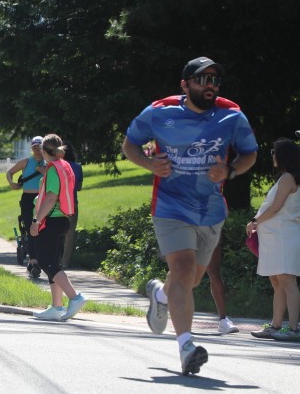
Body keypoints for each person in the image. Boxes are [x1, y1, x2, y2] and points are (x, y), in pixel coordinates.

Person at [122, 55, 258, 375]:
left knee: (192, 279)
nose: (210, 85)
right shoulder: (159, 111)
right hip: (170, 206)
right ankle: (186, 347)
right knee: (182, 269)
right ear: (185, 84)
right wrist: (149, 163)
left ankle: (160, 294)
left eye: (215, 80)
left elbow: (250, 153)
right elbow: (130, 145)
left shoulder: (231, 114)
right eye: (203, 79)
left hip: (210, 210)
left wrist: (230, 171)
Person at [29, 134, 87, 321]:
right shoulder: (65, 166)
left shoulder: (53, 169)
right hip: (62, 220)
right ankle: (56, 306)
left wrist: (37, 221)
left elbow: (51, 197)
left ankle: (75, 297)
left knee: (45, 262)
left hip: (51, 221)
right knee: (53, 263)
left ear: (45, 151)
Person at [247, 138, 300, 341]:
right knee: (277, 283)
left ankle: (293, 329)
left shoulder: (288, 178)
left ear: (283, 155)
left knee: (288, 283)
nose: (272, 156)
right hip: (276, 238)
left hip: (283, 238)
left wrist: (255, 221)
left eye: (274, 152)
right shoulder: (287, 178)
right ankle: (275, 325)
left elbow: (276, 207)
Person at [6, 136, 47, 277]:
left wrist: (45, 171)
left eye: (39, 148)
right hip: (28, 198)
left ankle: (40, 259)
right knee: (30, 228)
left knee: (42, 229)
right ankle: (33, 261)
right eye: (34, 148)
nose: (37, 150)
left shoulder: (48, 163)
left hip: (43, 199)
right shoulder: (26, 162)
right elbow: (9, 172)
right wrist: (12, 183)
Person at [60, 144, 83, 268]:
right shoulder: (78, 167)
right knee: (70, 233)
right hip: (72, 202)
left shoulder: (59, 166)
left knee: (55, 230)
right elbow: (79, 187)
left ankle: (55, 257)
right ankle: (65, 261)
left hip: (58, 201)